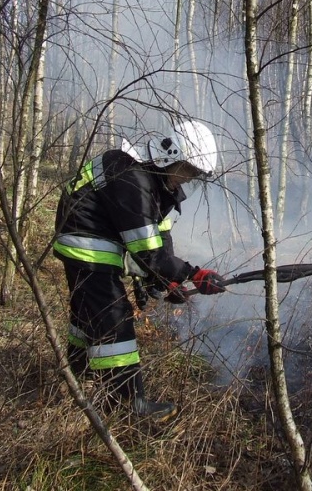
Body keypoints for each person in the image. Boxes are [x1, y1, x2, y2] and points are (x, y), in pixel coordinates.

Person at [53, 120, 227, 422]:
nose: (187, 180)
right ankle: (129, 405)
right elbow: (147, 251)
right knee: (113, 316)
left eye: (194, 175)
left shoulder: (154, 183)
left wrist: (167, 280)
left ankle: (76, 375)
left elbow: (160, 240)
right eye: (187, 171)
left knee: (87, 313)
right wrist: (193, 274)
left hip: (90, 241)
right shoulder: (131, 176)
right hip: (86, 243)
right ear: (170, 155)